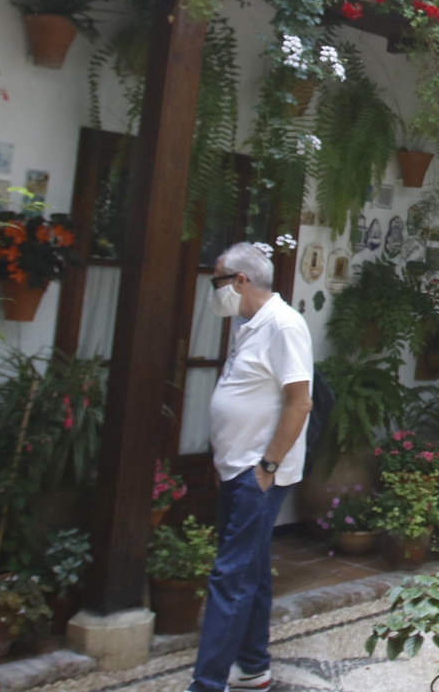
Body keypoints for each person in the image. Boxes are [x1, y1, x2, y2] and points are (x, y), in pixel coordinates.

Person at [187, 243, 314, 692]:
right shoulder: (251, 324)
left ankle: (207, 684)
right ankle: (254, 665)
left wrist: (268, 466)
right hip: (237, 468)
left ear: (239, 281)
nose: (214, 290)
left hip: (256, 473)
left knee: (231, 577)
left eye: (217, 280)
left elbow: (300, 402)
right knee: (252, 571)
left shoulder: (283, 325)